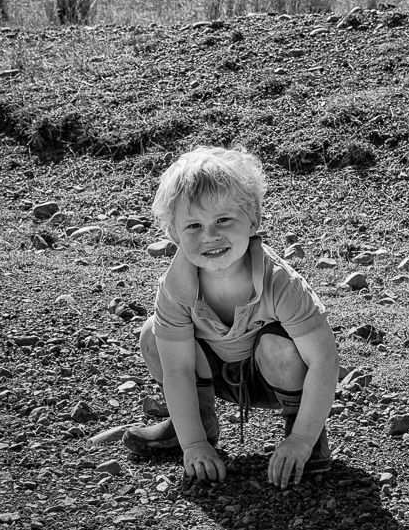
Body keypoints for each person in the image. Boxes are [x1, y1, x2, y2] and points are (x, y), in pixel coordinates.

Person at [123, 145, 339, 488]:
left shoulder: (279, 282)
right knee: (153, 335)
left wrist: (302, 439)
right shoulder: (175, 288)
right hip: (214, 373)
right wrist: (194, 445)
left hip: (273, 378)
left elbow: (324, 361)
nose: (210, 236)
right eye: (193, 225)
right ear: (174, 233)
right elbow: (177, 369)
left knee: (277, 346)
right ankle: (195, 426)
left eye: (223, 220)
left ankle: (304, 435)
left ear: (252, 219)